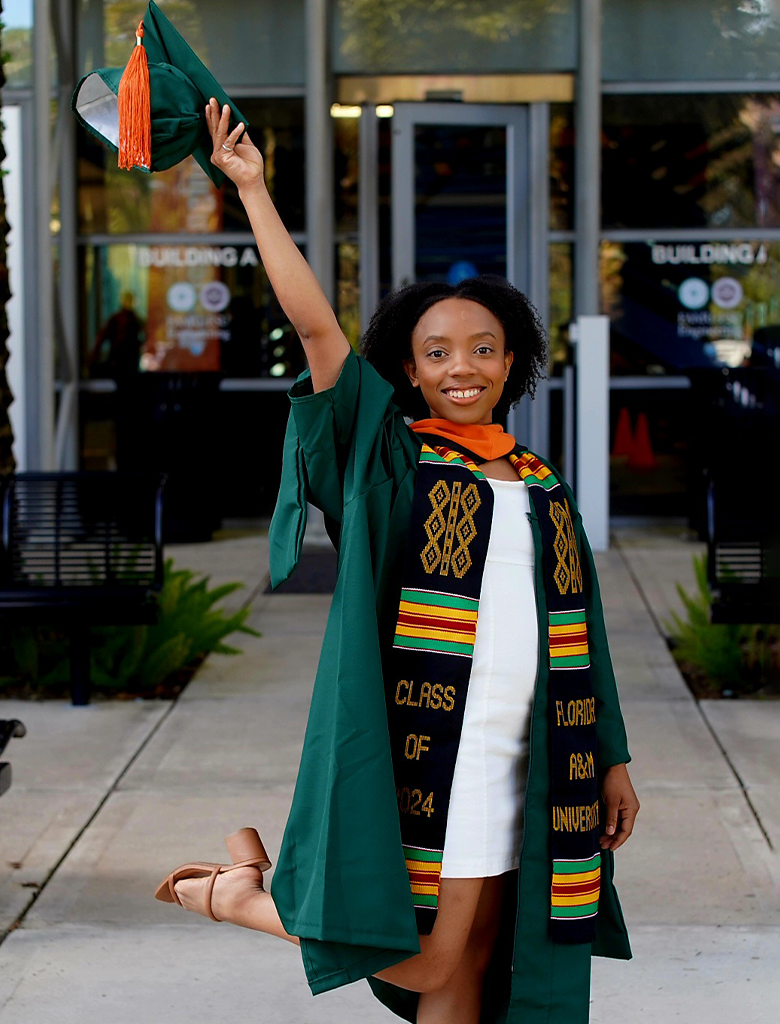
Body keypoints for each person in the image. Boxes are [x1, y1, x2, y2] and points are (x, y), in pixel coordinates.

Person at [155, 100, 640, 1024]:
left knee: (477, 969)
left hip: (537, 757)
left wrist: (611, 757)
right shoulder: (391, 465)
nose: (464, 365)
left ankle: (248, 882)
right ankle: (234, 893)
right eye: (437, 352)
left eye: (484, 348)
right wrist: (252, 190)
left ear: (513, 364)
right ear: (410, 371)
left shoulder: (543, 484)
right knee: (423, 962)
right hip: (434, 754)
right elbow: (316, 333)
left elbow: (585, 639)